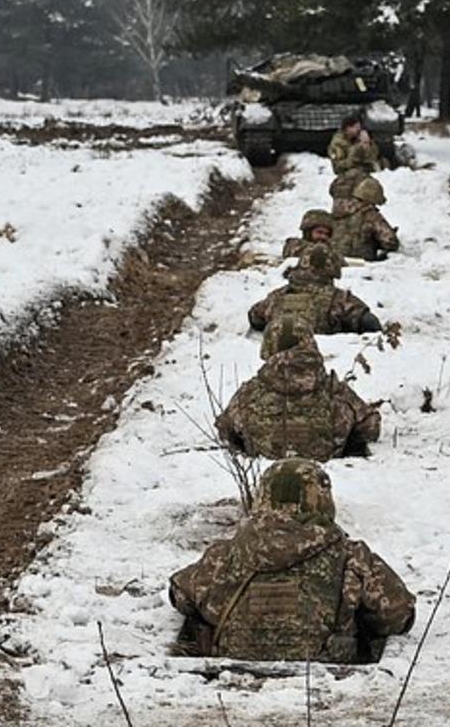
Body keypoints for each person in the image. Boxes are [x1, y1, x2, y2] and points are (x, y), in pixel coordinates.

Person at [168, 459, 416, 663]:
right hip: (325, 677)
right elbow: (397, 613)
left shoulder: (226, 554)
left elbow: (180, 594)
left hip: (232, 673)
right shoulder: (352, 556)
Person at [215, 321, 380, 461]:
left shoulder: (249, 393)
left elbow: (225, 429)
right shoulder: (336, 391)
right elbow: (370, 427)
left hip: (264, 474)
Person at [248, 245, 380, 348]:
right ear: (332, 269)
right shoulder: (339, 299)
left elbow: (254, 317)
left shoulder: (277, 296)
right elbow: (370, 322)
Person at [331, 177, 399, 262]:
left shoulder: (337, 212)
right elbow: (390, 241)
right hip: (362, 263)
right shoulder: (370, 215)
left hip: (336, 259)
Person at [282, 210, 345, 279]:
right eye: (319, 232)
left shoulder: (332, 250)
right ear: (308, 232)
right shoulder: (294, 246)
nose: (323, 237)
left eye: (327, 234)